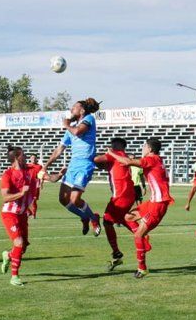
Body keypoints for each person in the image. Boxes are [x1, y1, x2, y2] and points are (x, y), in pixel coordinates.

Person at [108, 138, 173, 279]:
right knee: (127, 217)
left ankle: (142, 268)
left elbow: (126, 162)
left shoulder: (152, 159)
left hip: (158, 204)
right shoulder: (157, 159)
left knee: (138, 235)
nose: (142, 148)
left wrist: (111, 153)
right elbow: (137, 161)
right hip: (153, 202)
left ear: (149, 149)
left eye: (144, 146)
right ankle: (145, 243)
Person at [40, 98, 102, 236]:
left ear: (82, 110)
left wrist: (67, 124)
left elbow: (78, 132)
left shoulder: (89, 119)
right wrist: (46, 165)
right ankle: (84, 216)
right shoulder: (71, 128)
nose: (71, 109)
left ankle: (93, 218)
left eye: (74, 107)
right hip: (73, 165)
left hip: (85, 164)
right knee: (63, 199)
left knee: (74, 199)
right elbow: (59, 149)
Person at [93, 138, 137, 271]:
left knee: (108, 221)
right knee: (120, 219)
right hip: (126, 194)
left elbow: (95, 160)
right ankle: (118, 253)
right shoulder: (120, 157)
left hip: (121, 195)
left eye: (113, 144)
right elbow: (103, 164)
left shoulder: (115, 155)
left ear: (119, 146)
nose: (111, 146)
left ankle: (140, 237)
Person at [0, 146, 34, 286]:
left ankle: (8, 255)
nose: (25, 157)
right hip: (9, 213)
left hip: (22, 214)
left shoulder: (28, 171)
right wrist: (21, 194)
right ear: (17, 158)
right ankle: (14, 277)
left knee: (23, 247)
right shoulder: (7, 174)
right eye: (23, 155)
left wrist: (58, 176)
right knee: (18, 242)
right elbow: (5, 197)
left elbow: (47, 176)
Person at [25, 154, 44, 219]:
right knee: (24, 200)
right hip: (27, 185)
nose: (33, 159)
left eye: (34, 158)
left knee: (33, 201)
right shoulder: (27, 166)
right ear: (30, 159)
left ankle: (33, 214)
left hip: (35, 185)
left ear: (36, 159)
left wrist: (41, 183)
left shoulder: (39, 166)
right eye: (32, 158)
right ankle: (29, 212)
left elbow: (42, 175)